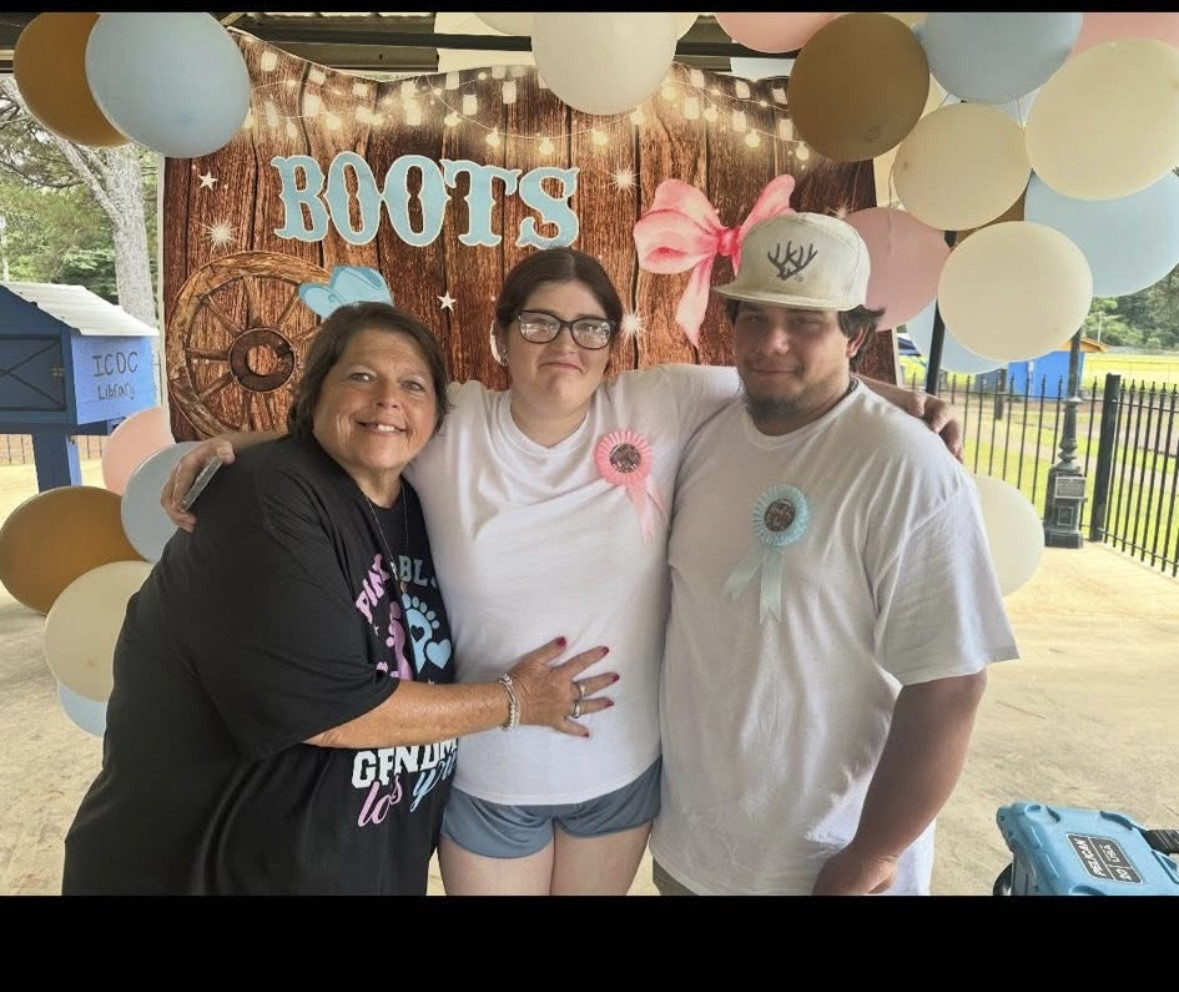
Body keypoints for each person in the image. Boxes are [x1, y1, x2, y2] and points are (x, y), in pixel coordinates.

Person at [162, 247, 963, 896]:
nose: (564, 345)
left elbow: (787, 378)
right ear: (501, 336)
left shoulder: (660, 402)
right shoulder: (452, 424)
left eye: (589, 328)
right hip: (491, 776)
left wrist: (906, 402)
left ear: (612, 345)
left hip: (619, 776)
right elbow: (358, 425)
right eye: (540, 322)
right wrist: (235, 446)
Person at [61, 302, 615, 896]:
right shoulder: (266, 497)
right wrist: (515, 700)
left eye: (413, 385)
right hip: (202, 873)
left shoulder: (414, 503)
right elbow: (331, 710)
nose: (388, 399)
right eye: (360, 376)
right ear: (314, 393)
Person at [649, 212, 1019, 896]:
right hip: (690, 853)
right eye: (754, 317)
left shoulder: (907, 467)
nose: (772, 342)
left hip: (829, 863)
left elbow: (949, 685)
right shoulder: (703, 433)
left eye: (805, 321)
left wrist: (875, 854)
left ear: (855, 334)